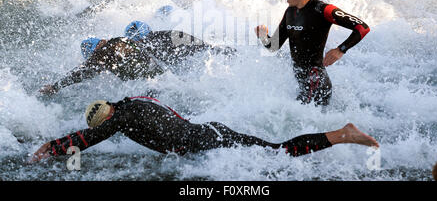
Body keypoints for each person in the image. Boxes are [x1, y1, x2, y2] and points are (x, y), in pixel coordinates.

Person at [30, 96, 379, 163]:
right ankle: (341, 134)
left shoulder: (119, 120)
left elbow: (86, 139)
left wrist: (51, 146)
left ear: (108, 117)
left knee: (278, 153)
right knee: (274, 149)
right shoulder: (132, 103)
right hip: (210, 131)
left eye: (106, 123)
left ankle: (342, 134)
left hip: (207, 141)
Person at [255, 0, 370, 106]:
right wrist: (263, 37)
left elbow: (362, 27)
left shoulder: (323, 10)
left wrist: (340, 49)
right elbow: (273, 46)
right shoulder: (290, 12)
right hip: (303, 83)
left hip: (317, 83)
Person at [39, 21, 234, 95]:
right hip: (168, 81)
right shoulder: (131, 44)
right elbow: (197, 46)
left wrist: (56, 86)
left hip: (156, 87)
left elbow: (84, 71)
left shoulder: (111, 48)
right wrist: (218, 50)